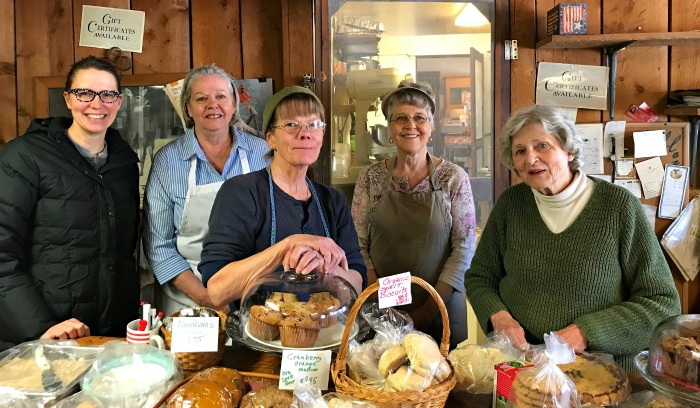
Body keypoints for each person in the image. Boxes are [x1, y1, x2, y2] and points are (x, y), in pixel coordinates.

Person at [464, 105, 681, 370]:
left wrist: (586, 332)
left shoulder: (618, 207)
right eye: (520, 151)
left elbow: (662, 303)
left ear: (568, 150)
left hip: (599, 373)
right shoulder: (511, 205)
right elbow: (480, 277)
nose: (530, 159)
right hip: (521, 366)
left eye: (541, 146)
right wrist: (498, 316)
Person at [0, 56, 140, 350]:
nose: (96, 103)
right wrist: (42, 327)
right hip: (46, 336)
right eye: (84, 93)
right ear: (67, 99)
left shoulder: (124, 162)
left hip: (109, 335)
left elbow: (122, 254)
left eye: (108, 94)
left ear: (119, 101)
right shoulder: (25, 157)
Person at [201, 86, 366, 307]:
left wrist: (322, 266)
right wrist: (287, 246)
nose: (305, 132)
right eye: (291, 125)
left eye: (314, 124)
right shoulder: (241, 192)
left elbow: (357, 281)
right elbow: (218, 290)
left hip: (328, 336)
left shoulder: (332, 201)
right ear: (271, 139)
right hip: (258, 335)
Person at [351, 81, 477, 348]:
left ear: (431, 128)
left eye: (420, 118)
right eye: (401, 118)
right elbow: (357, 244)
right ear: (389, 130)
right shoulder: (370, 179)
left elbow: (463, 247)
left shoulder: (453, 178)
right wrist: (383, 305)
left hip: (439, 308)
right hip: (381, 312)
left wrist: (427, 310)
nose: (411, 125)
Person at [143, 65, 270, 316]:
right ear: (188, 109)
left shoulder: (263, 154)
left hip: (255, 296)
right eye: (201, 98)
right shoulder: (167, 162)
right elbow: (159, 245)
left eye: (221, 96)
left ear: (234, 104)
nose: (213, 105)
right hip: (187, 301)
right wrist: (206, 297)